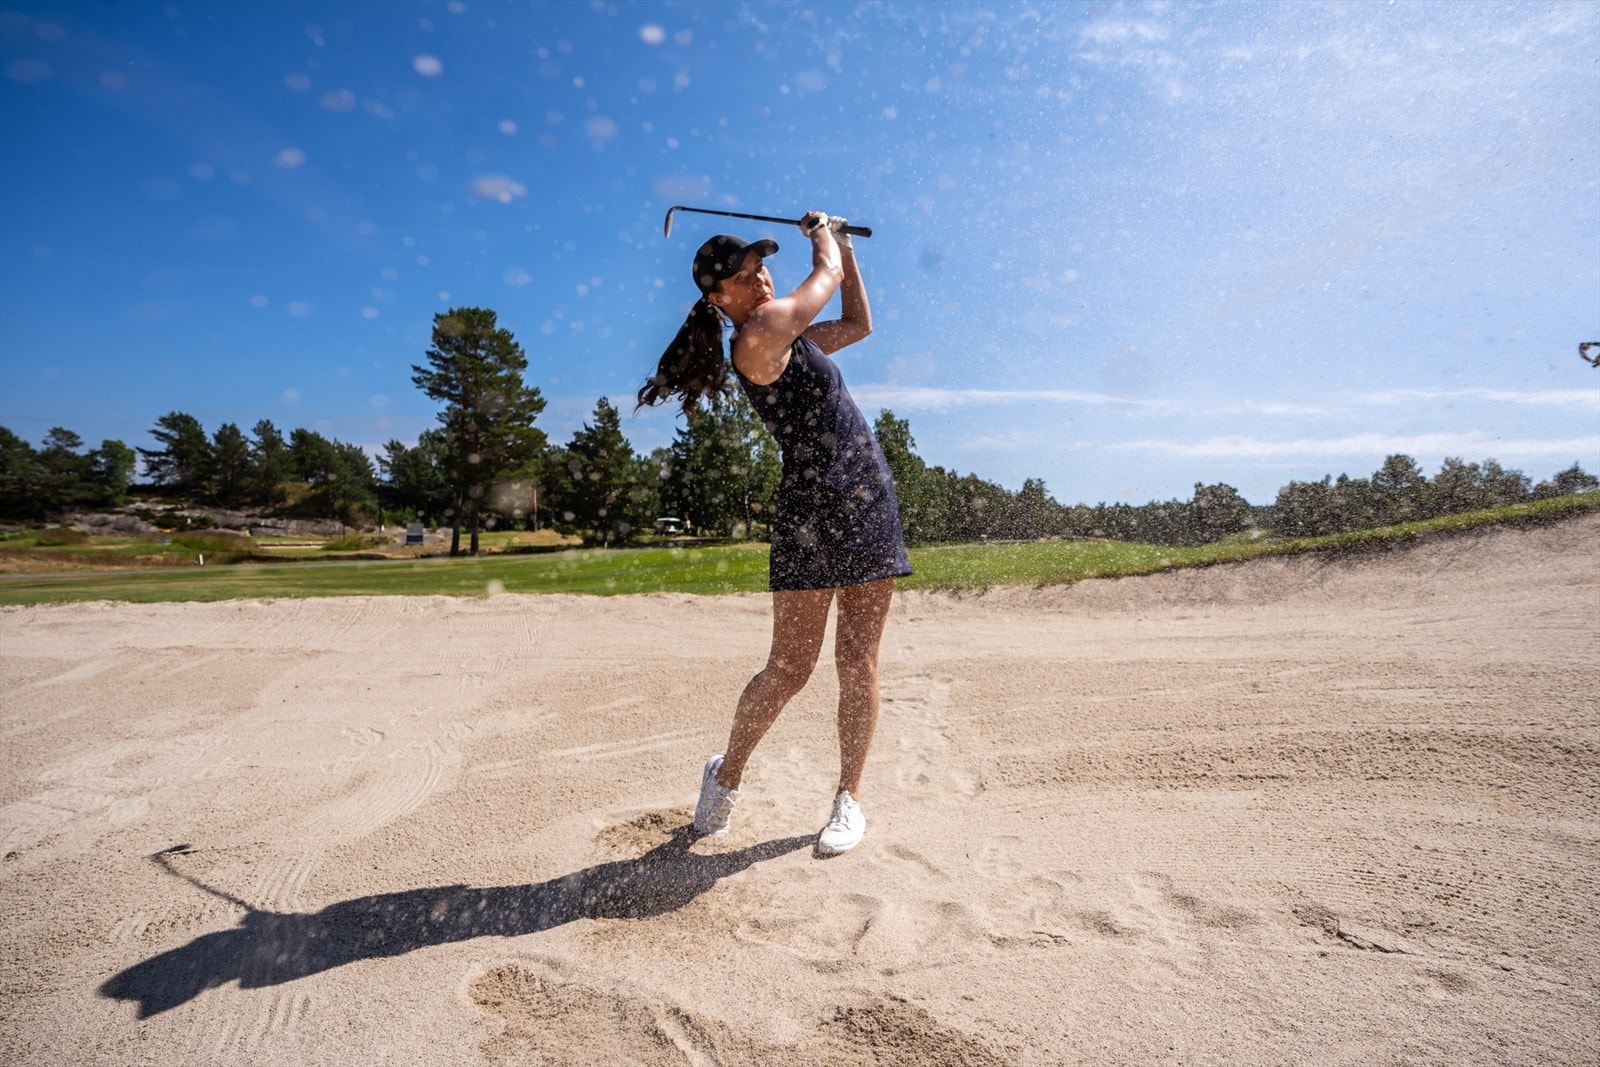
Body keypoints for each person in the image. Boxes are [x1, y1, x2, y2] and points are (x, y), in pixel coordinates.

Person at [638, 211, 911, 856]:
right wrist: (826, 240)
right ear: (718, 299)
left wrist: (846, 248)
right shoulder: (759, 335)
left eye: (760, 266)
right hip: (809, 514)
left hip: (865, 498)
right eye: (743, 275)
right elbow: (826, 275)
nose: (759, 277)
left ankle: (848, 798)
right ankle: (726, 774)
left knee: (857, 664)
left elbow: (858, 323)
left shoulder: (794, 336)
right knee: (789, 668)